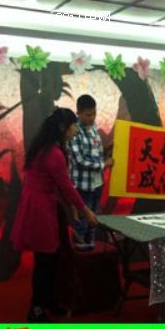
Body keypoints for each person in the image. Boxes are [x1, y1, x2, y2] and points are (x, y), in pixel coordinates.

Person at [11, 108, 98, 322]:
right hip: (40, 209)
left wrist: (73, 208)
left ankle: (48, 301)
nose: (76, 129)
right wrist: (87, 212)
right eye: (74, 124)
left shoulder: (47, 148)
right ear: (62, 127)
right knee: (44, 261)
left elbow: (59, 185)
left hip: (40, 204)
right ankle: (36, 310)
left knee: (51, 257)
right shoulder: (54, 154)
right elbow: (66, 187)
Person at [68, 95, 113, 251]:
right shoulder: (74, 131)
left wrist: (107, 151)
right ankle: (80, 248)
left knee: (94, 217)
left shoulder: (93, 127)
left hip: (97, 183)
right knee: (82, 218)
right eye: (88, 114)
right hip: (82, 184)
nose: (92, 117)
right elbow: (79, 161)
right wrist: (103, 164)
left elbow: (96, 153)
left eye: (94, 113)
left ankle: (90, 245)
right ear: (78, 113)